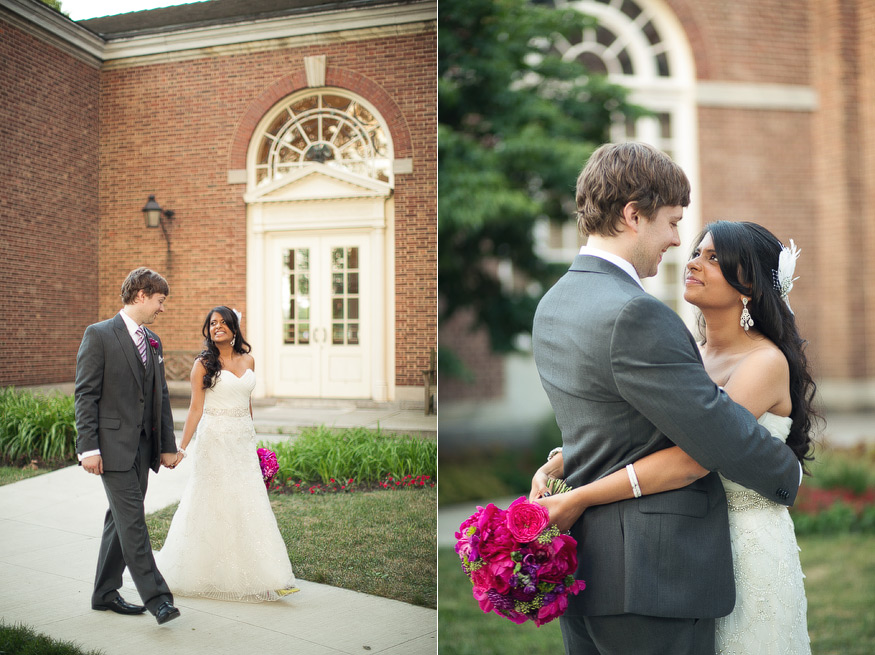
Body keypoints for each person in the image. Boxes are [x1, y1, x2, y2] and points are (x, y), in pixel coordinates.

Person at [529, 143, 802, 655]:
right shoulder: (637, 313)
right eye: (674, 224)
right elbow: (710, 437)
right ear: (633, 215)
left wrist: (559, 464)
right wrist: (788, 470)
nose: (678, 242)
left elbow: (617, 422)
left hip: (588, 569)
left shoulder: (554, 303)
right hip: (653, 575)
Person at [154, 306, 297, 602]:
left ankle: (270, 576)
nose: (217, 327)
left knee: (250, 502)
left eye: (223, 322)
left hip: (242, 442)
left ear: (234, 328)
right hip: (214, 440)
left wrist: (253, 439)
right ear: (208, 331)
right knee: (212, 502)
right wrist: (182, 447)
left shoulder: (249, 360)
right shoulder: (203, 364)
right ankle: (197, 571)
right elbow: (195, 408)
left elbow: (247, 403)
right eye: (212, 323)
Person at [75, 267, 181, 625]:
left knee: (118, 521)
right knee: (133, 522)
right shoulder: (99, 335)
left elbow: (161, 396)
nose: (161, 309)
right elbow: (85, 395)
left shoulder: (153, 341)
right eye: (159, 301)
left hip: (143, 450)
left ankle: (104, 593)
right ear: (141, 295)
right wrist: (87, 448)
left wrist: (167, 445)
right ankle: (159, 599)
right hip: (111, 449)